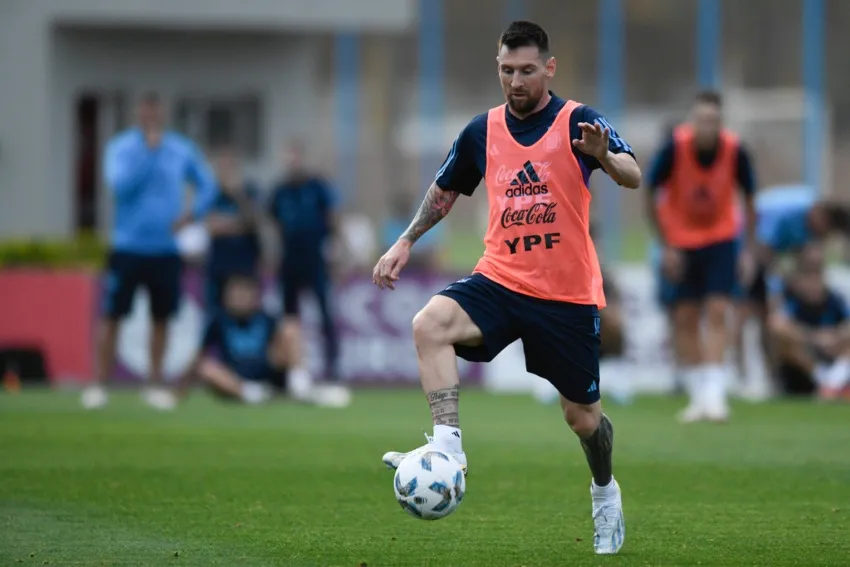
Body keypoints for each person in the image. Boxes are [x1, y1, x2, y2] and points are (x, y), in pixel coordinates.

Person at [373, 21, 640, 555]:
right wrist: (404, 241)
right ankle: (448, 450)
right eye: (505, 70)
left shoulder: (577, 121)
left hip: (565, 294)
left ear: (548, 68)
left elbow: (632, 173)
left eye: (525, 70)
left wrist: (604, 156)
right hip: (500, 277)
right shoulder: (482, 131)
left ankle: (604, 492)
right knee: (429, 324)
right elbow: (445, 190)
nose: (515, 81)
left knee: (582, 419)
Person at [82, 92, 217, 411]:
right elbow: (119, 187)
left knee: (162, 317)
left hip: (166, 249)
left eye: (157, 111)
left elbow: (207, 184)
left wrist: (192, 214)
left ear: (163, 113)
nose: (152, 116)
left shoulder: (180, 148)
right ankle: (100, 383)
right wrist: (148, 154)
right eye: (147, 111)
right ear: (138, 113)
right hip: (128, 246)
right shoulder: (122, 148)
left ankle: (154, 383)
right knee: (112, 315)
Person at [645, 90, 757, 423]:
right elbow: (650, 191)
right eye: (701, 120)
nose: (707, 127)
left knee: (719, 311)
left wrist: (747, 249)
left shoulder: (736, 151)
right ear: (692, 121)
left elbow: (750, 200)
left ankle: (715, 393)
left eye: (713, 120)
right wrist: (665, 245)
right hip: (681, 242)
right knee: (685, 317)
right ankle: (698, 395)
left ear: (721, 123)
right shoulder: (674, 148)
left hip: (721, 238)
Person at [733, 185, 849, 393]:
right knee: (743, 316)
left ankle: (769, 378)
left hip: (764, 261)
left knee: (765, 320)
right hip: (743, 255)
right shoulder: (792, 210)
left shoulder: (807, 226)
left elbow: (800, 253)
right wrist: (779, 282)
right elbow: (764, 248)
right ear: (820, 215)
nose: (820, 235)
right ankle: (740, 376)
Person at [267, 140, 350, 408]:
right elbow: (274, 223)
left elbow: (333, 218)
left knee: (325, 314)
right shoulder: (280, 191)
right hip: (290, 261)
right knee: (288, 319)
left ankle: (333, 370)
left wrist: (338, 253)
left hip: (316, 260)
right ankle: (291, 371)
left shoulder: (318, 187)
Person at [190, 273, 288, 403]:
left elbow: (280, 350)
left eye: (245, 292)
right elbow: (200, 354)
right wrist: (182, 387)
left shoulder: (266, 318)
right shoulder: (219, 320)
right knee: (206, 368)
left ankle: (297, 385)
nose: (239, 297)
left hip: (265, 371)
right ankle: (248, 393)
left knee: (290, 329)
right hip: (233, 376)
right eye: (235, 292)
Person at [769, 243, 850, 400]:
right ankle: (824, 380)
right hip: (806, 358)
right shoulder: (793, 301)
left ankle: (835, 382)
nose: (813, 285)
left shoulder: (834, 299)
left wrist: (835, 336)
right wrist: (813, 337)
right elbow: (778, 324)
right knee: (786, 343)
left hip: (833, 351)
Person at [205, 146, 262, 317]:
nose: (226, 171)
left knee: (244, 316)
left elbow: (253, 221)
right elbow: (211, 227)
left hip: (244, 266)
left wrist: (238, 194)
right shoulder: (211, 194)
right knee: (215, 316)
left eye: (230, 166)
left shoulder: (249, 192)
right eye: (222, 167)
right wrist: (238, 225)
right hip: (218, 265)